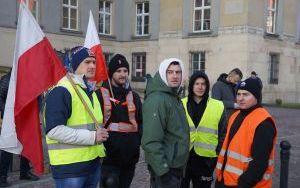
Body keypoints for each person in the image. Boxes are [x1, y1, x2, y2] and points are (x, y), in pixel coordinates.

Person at [44, 46, 108, 188]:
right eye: (87, 62)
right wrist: (92, 137)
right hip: (70, 169)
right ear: (75, 64)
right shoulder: (62, 90)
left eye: (93, 62)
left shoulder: (88, 90)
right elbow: (54, 130)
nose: (92, 66)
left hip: (92, 164)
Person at [215, 78, 277, 188]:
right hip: (226, 180)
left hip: (246, 184)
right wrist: (220, 180)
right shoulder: (235, 115)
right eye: (238, 94)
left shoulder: (263, 122)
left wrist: (242, 184)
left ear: (256, 97)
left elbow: (259, 163)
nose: (241, 98)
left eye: (246, 94)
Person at [142, 58, 190, 188]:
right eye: (170, 72)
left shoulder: (172, 96)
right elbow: (150, 141)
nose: (175, 76)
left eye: (178, 72)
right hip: (166, 168)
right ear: (163, 74)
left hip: (175, 166)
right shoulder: (158, 99)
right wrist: (163, 172)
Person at [97, 54, 142, 188]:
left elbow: (141, 122)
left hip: (129, 159)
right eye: (118, 71)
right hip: (109, 159)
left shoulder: (134, 96)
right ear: (111, 73)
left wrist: (136, 142)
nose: (122, 74)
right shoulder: (100, 95)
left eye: (125, 71)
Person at [181, 71, 227, 188]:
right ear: (191, 86)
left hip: (206, 160)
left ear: (207, 86)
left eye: (203, 84)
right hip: (184, 158)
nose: (200, 87)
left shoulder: (218, 105)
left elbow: (223, 132)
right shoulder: (181, 103)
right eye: (197, 84)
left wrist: (216, 154)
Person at [0, 71, 39, 188]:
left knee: (26, 144)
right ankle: (2, 177)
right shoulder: (8, 79)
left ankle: (25, 172)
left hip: (25, 117)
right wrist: (8, 113)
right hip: (10, 118)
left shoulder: (28, 78)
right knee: (9, 146)